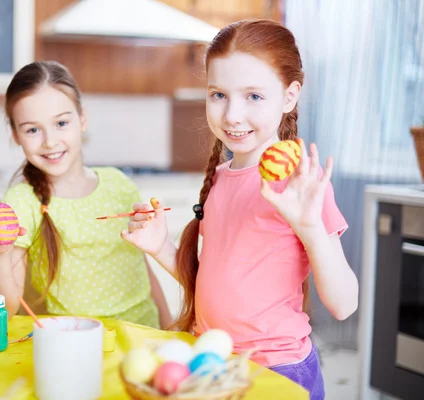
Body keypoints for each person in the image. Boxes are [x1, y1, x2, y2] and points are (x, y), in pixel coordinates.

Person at [120, 20, 359, 399]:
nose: (232, 115)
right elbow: (216, 288)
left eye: (253, 96)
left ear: (290, 96)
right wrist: (161, 247)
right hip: (214, 369)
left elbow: (345, 305)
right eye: (218, 95)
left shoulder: (300, 184)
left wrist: (311, 227)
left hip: (277, 371)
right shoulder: (219, 177)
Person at [0, 61, 172, 329]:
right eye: (32, 129)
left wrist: (170, 322)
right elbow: (7, 308)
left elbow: (143, 268)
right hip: (79, 344)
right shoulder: (21, 202)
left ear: (82, 118)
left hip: (145, 335)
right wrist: (1, 253)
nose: (49, 141)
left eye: (61, 123)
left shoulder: (120, 184)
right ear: (16, 135)